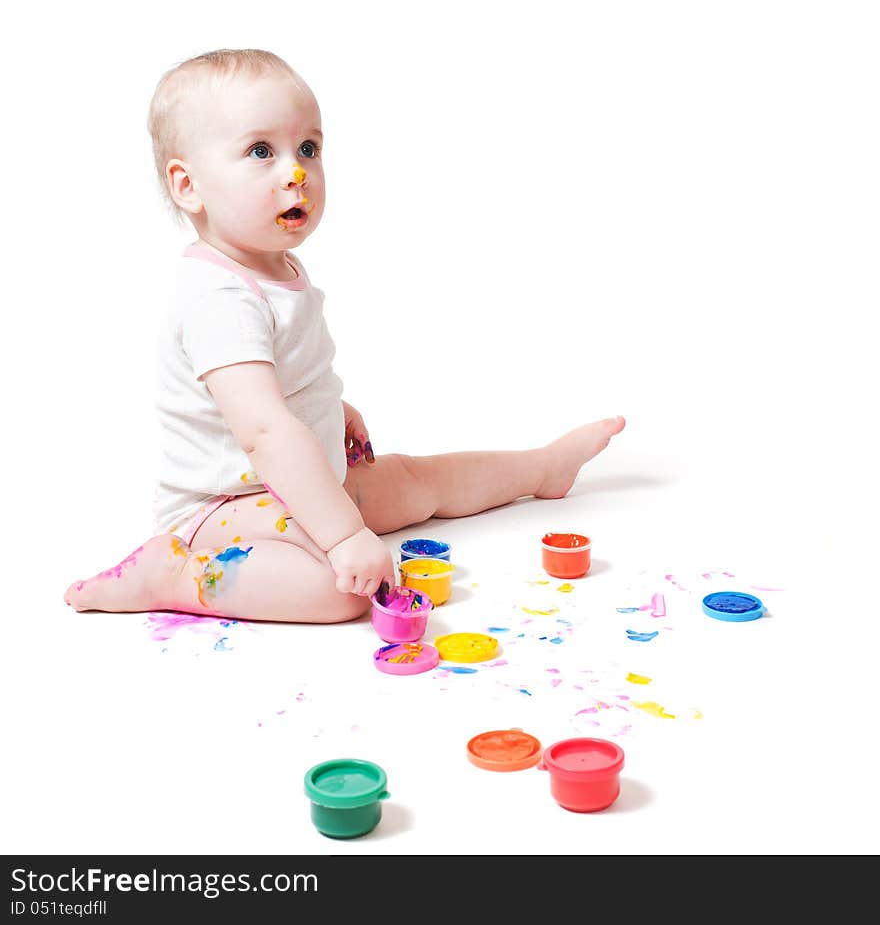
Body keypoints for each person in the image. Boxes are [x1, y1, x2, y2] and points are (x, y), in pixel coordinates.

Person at [63, 48, 625, 624]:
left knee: (414, 480)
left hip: (296, 480)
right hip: (223, 510)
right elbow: (262, 428)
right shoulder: (219, 298)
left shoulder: (272, 267)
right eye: (261, 152)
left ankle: (541, 467)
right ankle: (174, 573)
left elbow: (273, 388)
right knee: (342, 587)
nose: (296, 171)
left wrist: (332, 408)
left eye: (308, 148)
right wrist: (343, 536)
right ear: (188, 186)